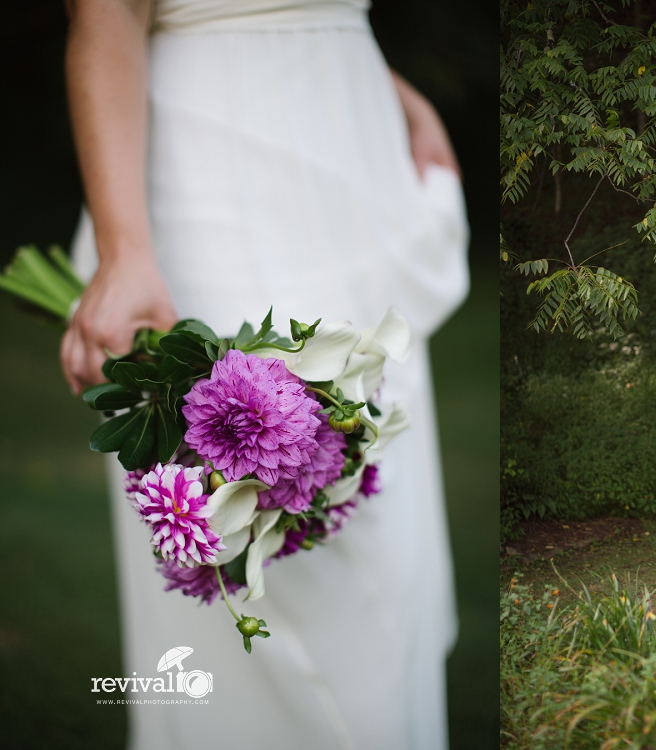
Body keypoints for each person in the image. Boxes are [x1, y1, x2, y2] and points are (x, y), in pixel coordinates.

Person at [61, 1, 469, 748]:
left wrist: (407, 102)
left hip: (356, 173)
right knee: (235, 531)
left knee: (375, 536)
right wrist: (123, 251)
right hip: (211, 168)